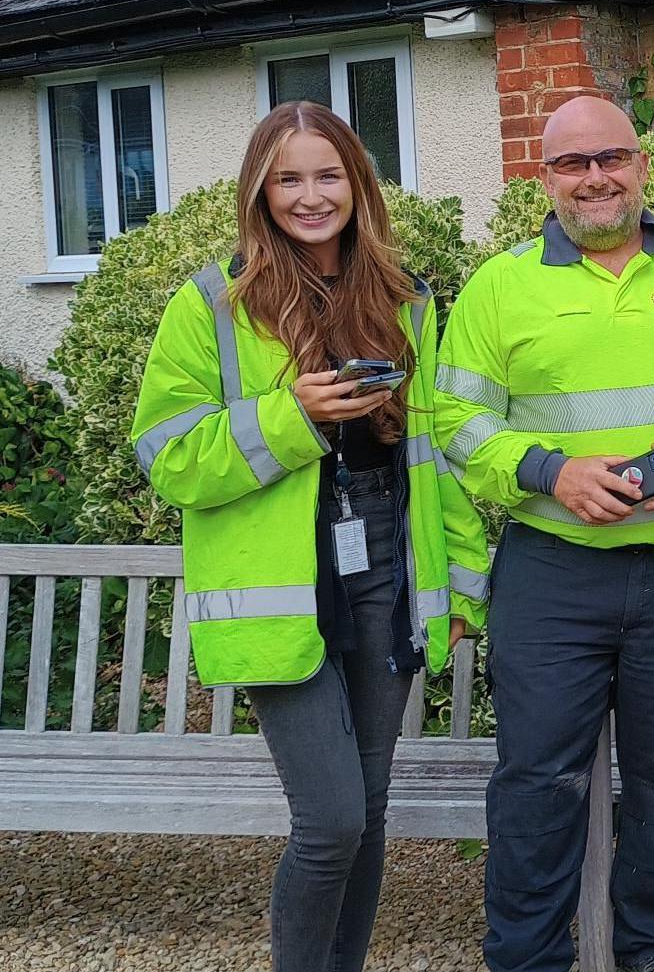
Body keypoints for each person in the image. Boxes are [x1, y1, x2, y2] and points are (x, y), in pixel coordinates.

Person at [433, 96, 654, 972]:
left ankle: (652, 949)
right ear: (544, 178)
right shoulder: (500, 286)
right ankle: (524, 957)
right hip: (553, 576)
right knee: (536, 784)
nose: (595, 178)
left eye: (611, 159)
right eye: (572, 164)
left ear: (640, 165)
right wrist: (547, 471)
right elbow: (450, 416)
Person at [131, 101, 490, 972]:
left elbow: (434, 453)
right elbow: (169, 457)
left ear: (358, 186)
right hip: (279, 581)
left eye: (327, 174)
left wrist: (461, 588)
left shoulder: (405, 300)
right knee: (330, 819)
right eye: (288, 178)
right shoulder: (211, 303)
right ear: (259, 190)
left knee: (365, 812)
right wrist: (291, 416)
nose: (310, 195)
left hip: (386, 568)